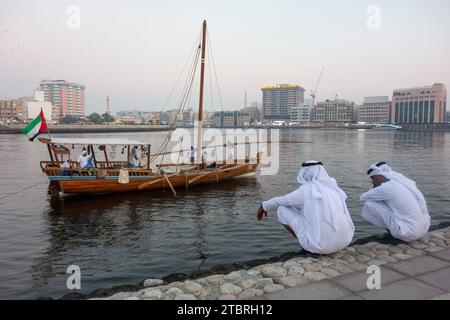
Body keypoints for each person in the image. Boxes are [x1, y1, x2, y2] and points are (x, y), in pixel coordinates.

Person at [257, 161, 355, 254]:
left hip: (319, 246)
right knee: (297, 208)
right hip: (345, 241)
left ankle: (306, 242)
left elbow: (279, 201)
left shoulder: (306, 191)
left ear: (303, 173)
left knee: (282, 209)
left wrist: (263, 206)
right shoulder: (333, 188)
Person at [360, 162, 430, 242]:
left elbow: (363, 197)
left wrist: (375, 187)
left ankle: (394, 234)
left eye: (373, 178)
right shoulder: (401, 180)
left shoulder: (387, 187)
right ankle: (396, 229)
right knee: (385, 201)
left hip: (408, 233)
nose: (372, 181)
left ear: (378, 176)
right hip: (423, 229)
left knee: (369, 203)